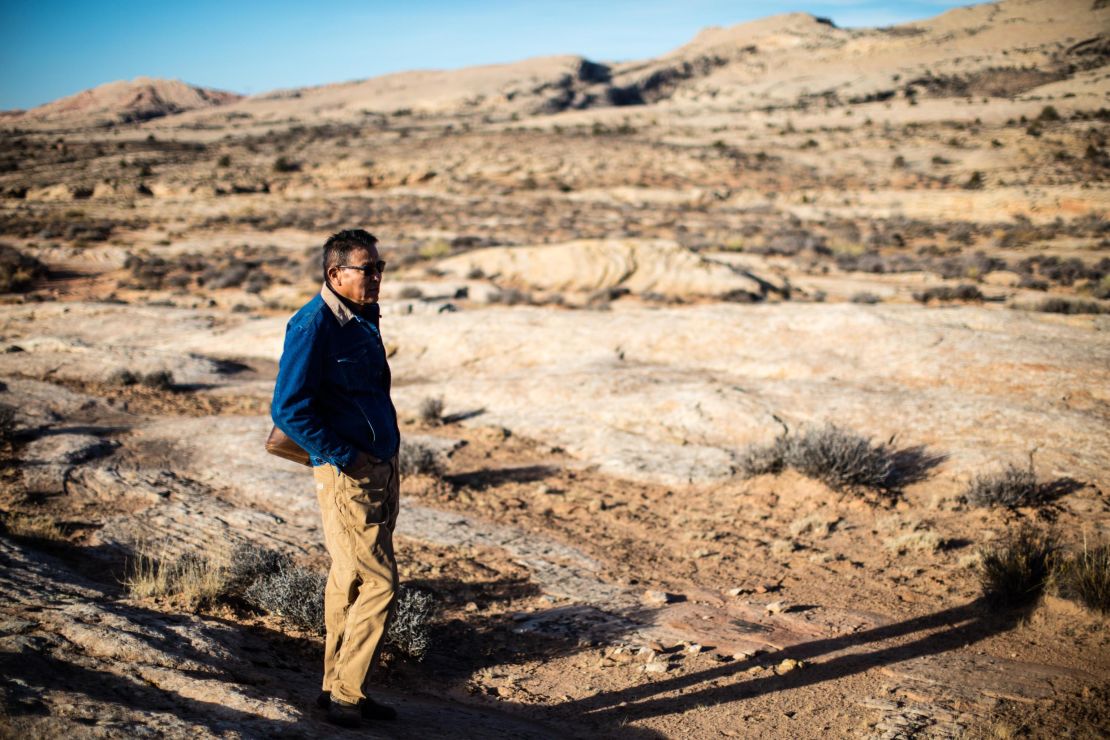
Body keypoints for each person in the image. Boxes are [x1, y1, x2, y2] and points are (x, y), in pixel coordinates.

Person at [271, 228, 401, 728]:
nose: (376, 277)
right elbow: (287, 407)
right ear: (335, 274)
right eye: (367, 269)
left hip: (380, 467)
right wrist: (344, 456)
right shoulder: (312, 325)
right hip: (349, 472)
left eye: (379, 267)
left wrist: (381, 457)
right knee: (380, 581)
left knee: (349, 577)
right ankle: (349, 694)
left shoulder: (362, 318)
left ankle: (335, 687)